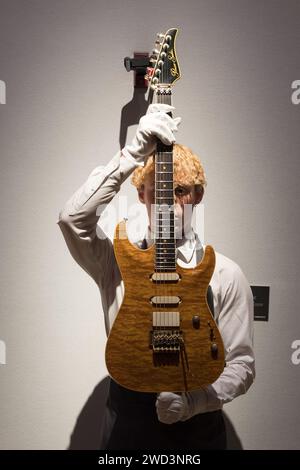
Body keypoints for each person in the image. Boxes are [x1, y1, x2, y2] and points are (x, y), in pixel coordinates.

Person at [57, 103, 255, 450]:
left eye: (179, 191)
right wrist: (134, 152)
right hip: (128, 428)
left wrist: (196, 402)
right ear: (141, 195)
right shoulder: (116, 262)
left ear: (197, 195)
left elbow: (241, 364)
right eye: (158, 191)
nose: (167, 203)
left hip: (199, 432)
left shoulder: (225, 273)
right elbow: (73, 219)